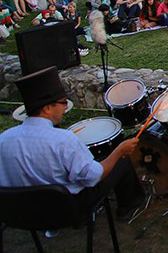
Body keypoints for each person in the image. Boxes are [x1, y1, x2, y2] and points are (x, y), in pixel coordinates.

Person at [0, 67, 145, 221]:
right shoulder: (63, 140)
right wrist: (119, 151)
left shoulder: (4, 139)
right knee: (120, 161)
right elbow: (93, 177)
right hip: (66, 210)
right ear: (47, 108)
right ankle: (127, 207)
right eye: (62, 103)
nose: (65, 107)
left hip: (20, 213)